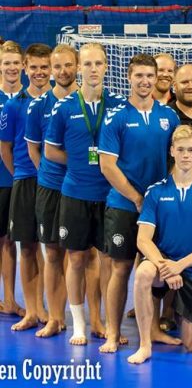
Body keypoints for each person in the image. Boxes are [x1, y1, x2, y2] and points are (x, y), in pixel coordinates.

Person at [97, 54, 181, 353]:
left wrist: (161, 197)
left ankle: (153, 329)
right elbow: (107, 165)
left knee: (154, 268)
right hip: (123, 205)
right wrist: (136, 197)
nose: (145, 81)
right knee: (120, 268)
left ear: (157, 78)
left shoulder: (169, 116)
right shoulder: (116, 116)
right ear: (129, 77)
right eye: (139, 76)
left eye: (149, 76)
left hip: (157, 209)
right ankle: (113, 333)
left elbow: (177, 159)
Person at [44, 42, 125, 345]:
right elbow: (50, 151)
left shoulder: (118, 105)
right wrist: (79, 162)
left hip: (109, 196)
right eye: (87, 64)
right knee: (75, 259)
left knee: (107, 260)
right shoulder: (64, 108)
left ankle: (106, 323)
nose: (93, 69)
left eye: (98, 64)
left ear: (106, 67)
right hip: (75, 194)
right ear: (79, 67)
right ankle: (78, 324)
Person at [127, 125, 192, 364]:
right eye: (180, 150)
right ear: (172, 151)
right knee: (143, 273)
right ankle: (145, 344)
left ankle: (185, 316)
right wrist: (165, 266)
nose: (185, 155)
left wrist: (180, 266)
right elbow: (143, 239)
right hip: (164, 265)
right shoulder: (155, 191)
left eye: (190, 150)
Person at [24, 44, 78, 337]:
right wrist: (48, 175)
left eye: (68, 65)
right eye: (57, 66)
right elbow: (35, 150)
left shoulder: (89, 102)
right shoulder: (38, 106)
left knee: (81, 256)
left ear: (77, 65)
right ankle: (55, 318)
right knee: (53, 254)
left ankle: (88, 319)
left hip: (82, 189)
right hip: (50, 189)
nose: (62, 71)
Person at [0, 43, 52, 331]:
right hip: (25, 181)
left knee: (53, 250)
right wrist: (20, 175)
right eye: (34, 67)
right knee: (27, 247)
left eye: (44, 67)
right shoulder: (12, 106)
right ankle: (32, 310)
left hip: (54, 183)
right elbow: (5, 148)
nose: (39, 72)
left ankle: (48, 309)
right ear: (25, 68)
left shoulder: (59, 102)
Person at [0, 41, 24, 318]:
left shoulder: (29, 99)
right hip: (2, 179)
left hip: (19, 181)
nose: (11, 67)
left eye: (16, 63)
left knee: (10, 240)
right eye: (7, 63)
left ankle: (9, 300)